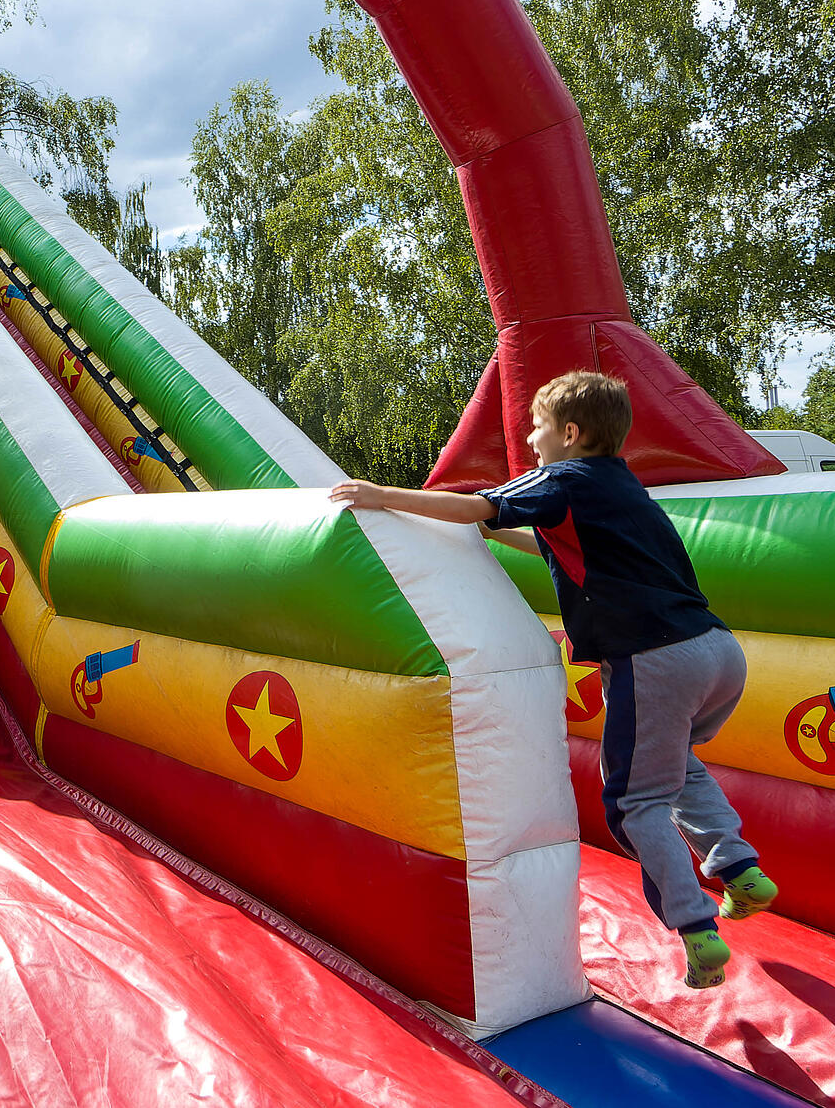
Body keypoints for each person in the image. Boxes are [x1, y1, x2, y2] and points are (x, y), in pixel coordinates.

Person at [328, 370, 776, 990]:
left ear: (570, 432)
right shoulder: (620, 488)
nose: (531, 442)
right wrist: (484, 532)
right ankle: (739, 866)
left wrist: (384, 495)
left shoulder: (563, 477)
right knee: (672, 763)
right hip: (718, 652)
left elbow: (481, 503)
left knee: (633, 802)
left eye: (537, 428)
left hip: (655, 659)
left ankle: (696, 927)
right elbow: (535, 539)